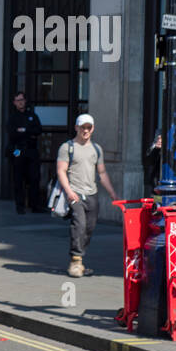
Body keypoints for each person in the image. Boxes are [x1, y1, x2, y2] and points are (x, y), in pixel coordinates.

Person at [56, 114, 118, 278]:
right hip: (75, 193)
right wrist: (69, 192)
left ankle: (80, 259)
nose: (85, 130)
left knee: (89, 228)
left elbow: (102, 173)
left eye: (88, 127)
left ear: (93, 129)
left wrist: (112, 193)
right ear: (76, 127)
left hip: (92, 194)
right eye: (82, 127)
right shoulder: (67, 147)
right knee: (79, 225)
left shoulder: (96, 149)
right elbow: (61, 171)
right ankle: (76, 260)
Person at [7, 91, 43, 214]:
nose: (20, 102)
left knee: (34, 177)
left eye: (22, 99)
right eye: (18, 100)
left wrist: (24, 130)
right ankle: (20, 206)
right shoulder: (12, 118)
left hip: (32, 150)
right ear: (14, 103)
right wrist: (27, 132)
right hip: (18, 150)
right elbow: (12, 134)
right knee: (18, 179)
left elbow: (38, 130)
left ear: (25, 101)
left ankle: (35, 205)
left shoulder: (32, 115)